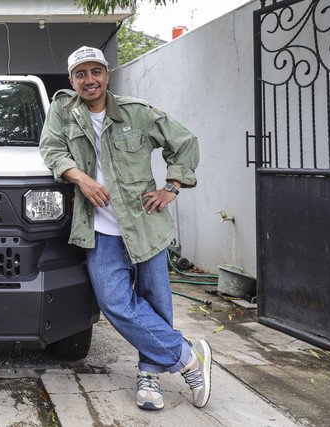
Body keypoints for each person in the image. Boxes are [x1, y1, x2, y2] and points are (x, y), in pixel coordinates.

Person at [39, 46, 211, 410]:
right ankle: (188, 357)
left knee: (154, 301)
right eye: (81, 74)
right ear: (72, 80)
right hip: (98, 231)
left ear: (106, 75)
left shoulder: (137, 112)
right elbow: (52, 150)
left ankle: (149, 374)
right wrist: (82, 179)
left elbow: (185, 144)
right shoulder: (63, 111)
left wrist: (172, 188)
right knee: (115, 303)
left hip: (145, 225)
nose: (90, 80)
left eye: (96, 72)